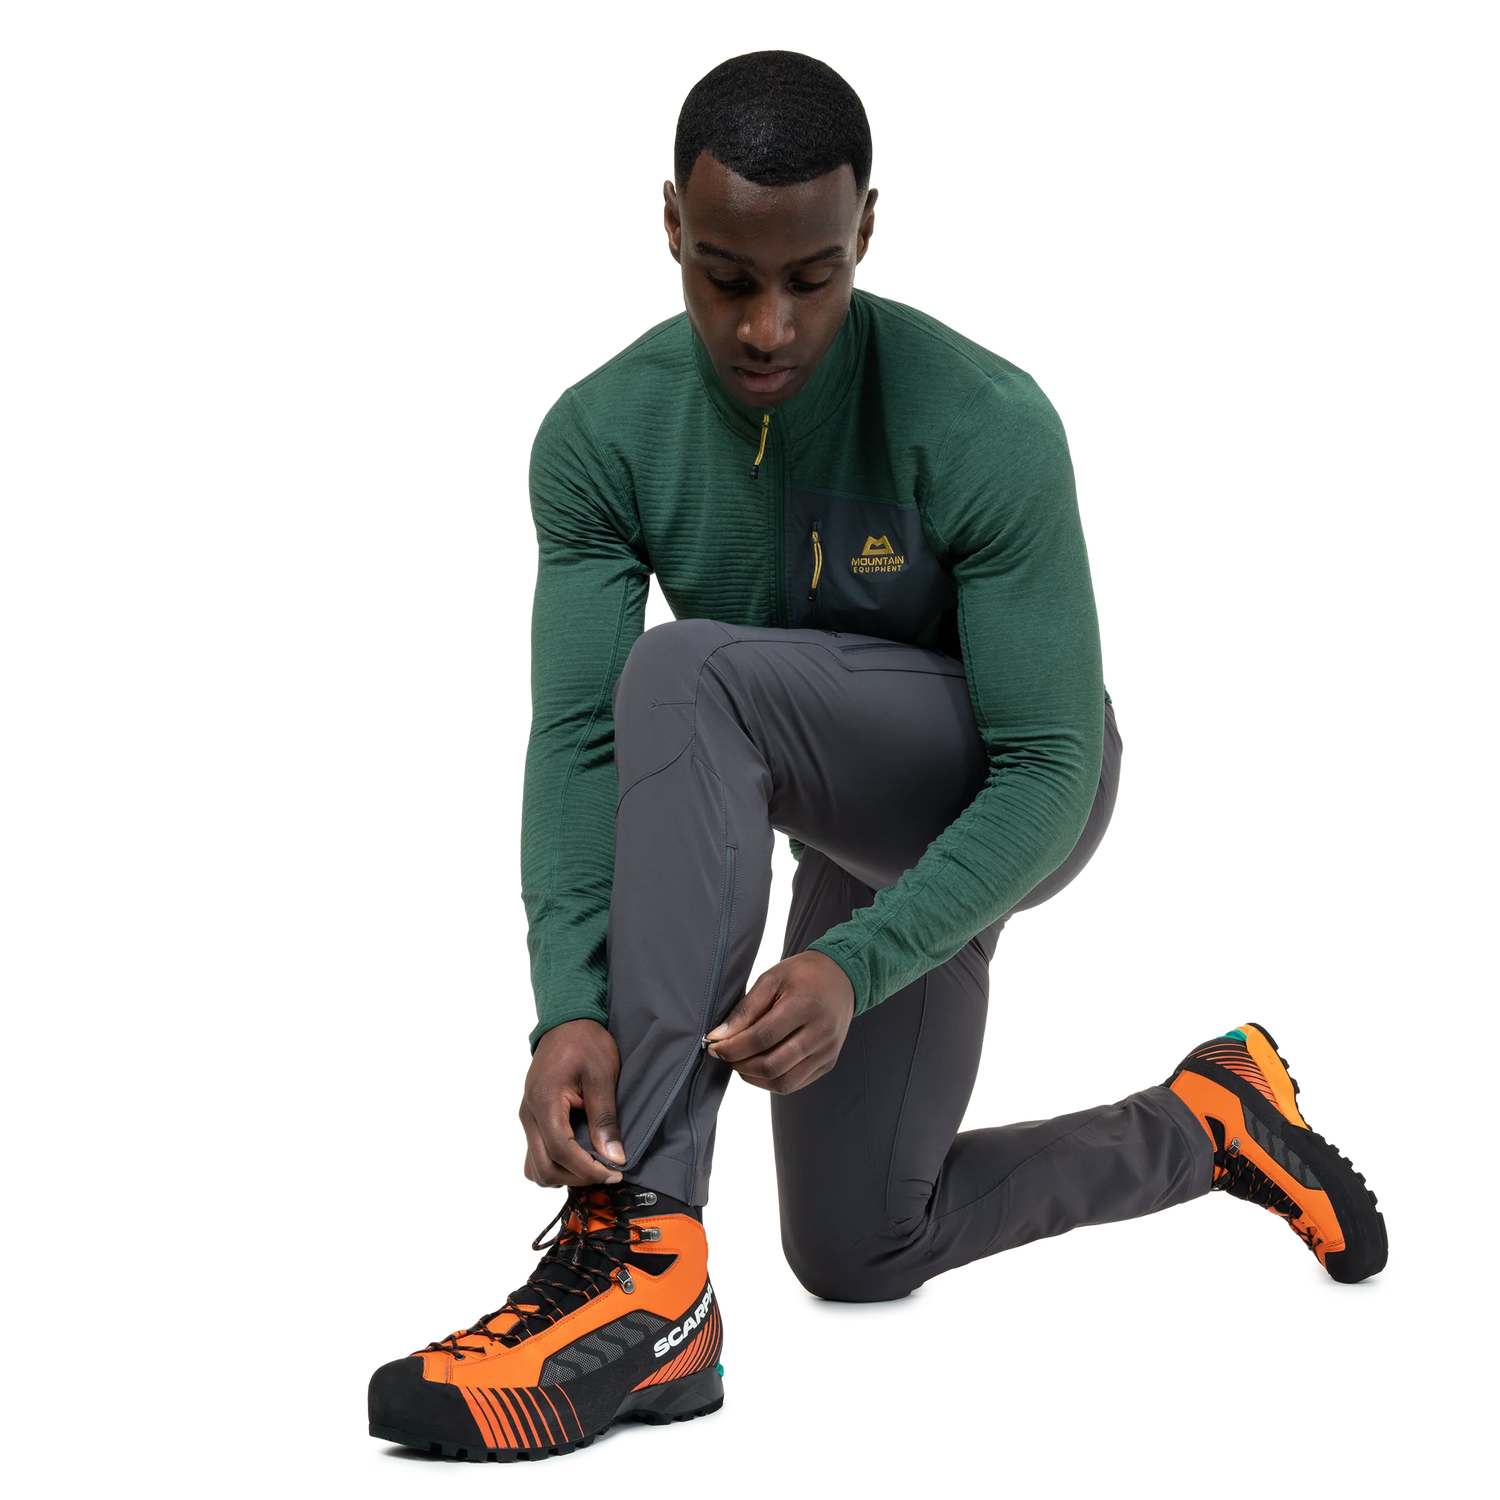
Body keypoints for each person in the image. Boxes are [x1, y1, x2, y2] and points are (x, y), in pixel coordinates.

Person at [364, 47, 1391, 1466]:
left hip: (1012, 788)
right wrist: (568, 1009)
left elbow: (1049, 762)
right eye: (725, 276)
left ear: (869, 231)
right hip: (833, 807)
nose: (768, 326)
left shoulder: (986, 417)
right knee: (861, 1253)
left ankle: (644, 1261)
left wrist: (860, 963)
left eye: (814, 276)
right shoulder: (598, 435)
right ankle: (1208, 1122)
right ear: (668, 224)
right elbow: (579, 744)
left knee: (687, 669)